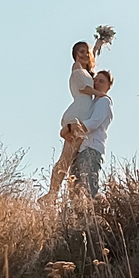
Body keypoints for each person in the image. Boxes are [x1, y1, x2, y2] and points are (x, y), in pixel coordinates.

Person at [43, 39, 98, 206]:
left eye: (86, 51)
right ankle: (51, 194)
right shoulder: (76, 68)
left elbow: (93, 57)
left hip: (83, 115)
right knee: (66, 158)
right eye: (81, 51)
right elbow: (83, 88)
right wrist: (101, 94)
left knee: (71, 160)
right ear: (75, 54)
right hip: (78, 114)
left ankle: (64, 196)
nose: (85, 54)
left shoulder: (87, 72)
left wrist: (98, 44)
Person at [70, 69, 115, 202]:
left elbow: (94, 122)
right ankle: (77, 213)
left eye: (101, 81)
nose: (97, 83)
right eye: (95, 80)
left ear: (108, 86)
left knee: (90, 187)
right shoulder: (91, 103)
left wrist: (74, 127)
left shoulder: (104, 101)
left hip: (92, 148)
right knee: (75, 188)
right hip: (82, 148)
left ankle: (101, 209)